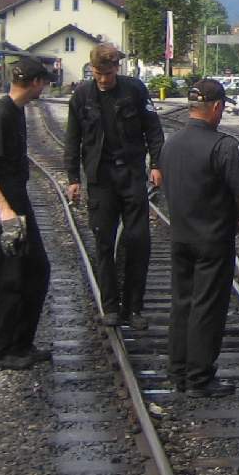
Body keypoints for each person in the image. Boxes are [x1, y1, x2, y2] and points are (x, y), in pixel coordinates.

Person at [160, 78, 239, 398]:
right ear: (216, 107)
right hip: (213, 237)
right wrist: (233, 218)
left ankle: (178, 370)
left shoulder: (170, 143)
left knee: (181, 302)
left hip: (181, 234)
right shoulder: (222, 145)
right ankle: (200, 376)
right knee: (207, 306)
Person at [64, 44, 164, 328]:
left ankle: (134, 307)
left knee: (138, 241)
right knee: (104, 241)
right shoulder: (82, 96)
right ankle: (110, 305)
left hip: (131, 174)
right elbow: (73, 139)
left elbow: (153, 130)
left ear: (116, 69)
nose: (103, 79)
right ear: (92, 70)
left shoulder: (135, 90)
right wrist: (73, 179)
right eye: (98, 73)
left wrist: (157, 164)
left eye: (108, 73)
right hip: (100, 178)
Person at [0, 57, 54, 371]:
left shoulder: (16, 111)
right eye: (44, 82)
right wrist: (4, 209)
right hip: (3, 209)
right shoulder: (1, 114)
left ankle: (20, 344)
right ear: (35, 82)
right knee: (4, 278)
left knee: (34, 271)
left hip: (16, 204)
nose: (44, 87)